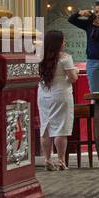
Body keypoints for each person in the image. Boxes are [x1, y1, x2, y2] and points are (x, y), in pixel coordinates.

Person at [36, 29, 77, 171]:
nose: (64, 42)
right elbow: (72, 78)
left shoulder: (40, 57)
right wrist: (75, 72)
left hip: (43, 93)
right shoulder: (65, 58)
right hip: (61, 93)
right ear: (58, 43)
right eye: (63, 40)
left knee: (45, 127)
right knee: (61, 128)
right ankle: (60, 159)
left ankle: (47, 159)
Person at [68, 0, 99, 94]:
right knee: (94, 93)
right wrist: (80, 13)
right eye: (96, 12)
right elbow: (71, 20)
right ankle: (96, 109)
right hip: (92, 61)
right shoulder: (89, 24)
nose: (98, 14)